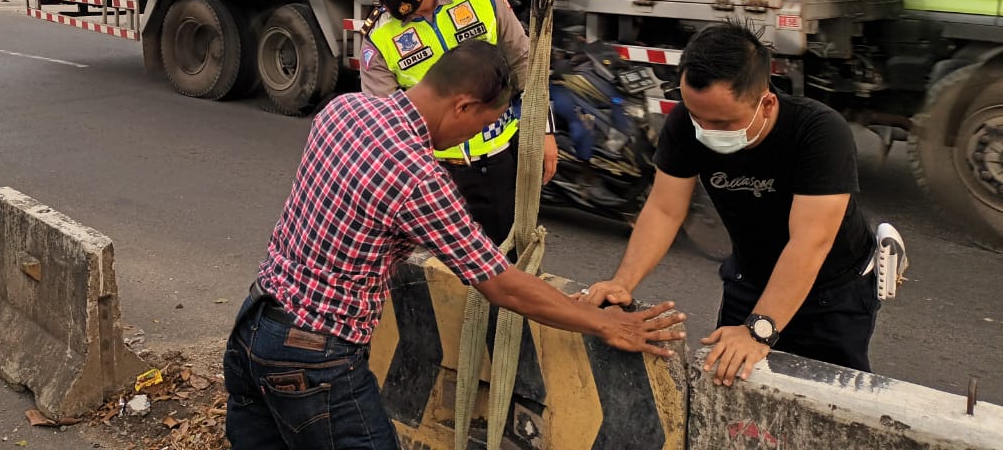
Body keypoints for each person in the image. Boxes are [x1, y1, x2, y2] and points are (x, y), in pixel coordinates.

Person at [225, 40, 685, 450]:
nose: (471, 138)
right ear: (463, 106)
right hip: (315, 358)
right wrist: (600, 323)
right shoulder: (418, 178)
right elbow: (502, 285)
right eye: (481, 124)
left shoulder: (342, 111)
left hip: (254, 325)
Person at [579, 21, 879, 384]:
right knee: (732, 386)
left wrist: (759, 330)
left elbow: (810, 241)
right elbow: (664, 209)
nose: (705, 131)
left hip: (831, 293)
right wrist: (622, 282)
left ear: (766, 103)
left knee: (832, 403)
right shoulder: (685, 126)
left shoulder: (819, 132)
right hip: (749, 279)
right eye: (696, 116)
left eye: (721, 122)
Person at [352, 0, 558, 245]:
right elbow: (383, 130)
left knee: (507, 266)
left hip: (497, 165)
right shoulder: (379, 38)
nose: (393, 4)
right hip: (432, 179)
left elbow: (524, 65)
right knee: (435, 282)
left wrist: (543, 131)